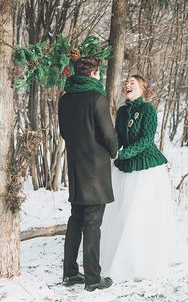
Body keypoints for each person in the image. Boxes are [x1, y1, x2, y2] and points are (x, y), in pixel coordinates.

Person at [100, 75, 175, 281]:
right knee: (121, 213)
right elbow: (119, 137)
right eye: (126, 82)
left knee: (137, 213)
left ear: (143, 88)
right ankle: (122, 257)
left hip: (146, 167)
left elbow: (147, 139)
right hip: (125, 166)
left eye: (132, 83)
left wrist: (123, 154)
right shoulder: (123, 111)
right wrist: (109, 148)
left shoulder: (148, 110)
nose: (127, 85)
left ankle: (141, 262)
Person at [58, 57, 118, 292]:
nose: (99, 76)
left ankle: (70, 274)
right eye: (98, 72)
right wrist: (114, 152)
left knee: (75, 221)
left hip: (75, 167)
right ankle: (93, 279)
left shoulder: (65, 99)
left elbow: (64, 132)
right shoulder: (96, 98)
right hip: (95, 171)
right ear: (93, 73)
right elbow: (108, 135)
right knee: (92, 223)